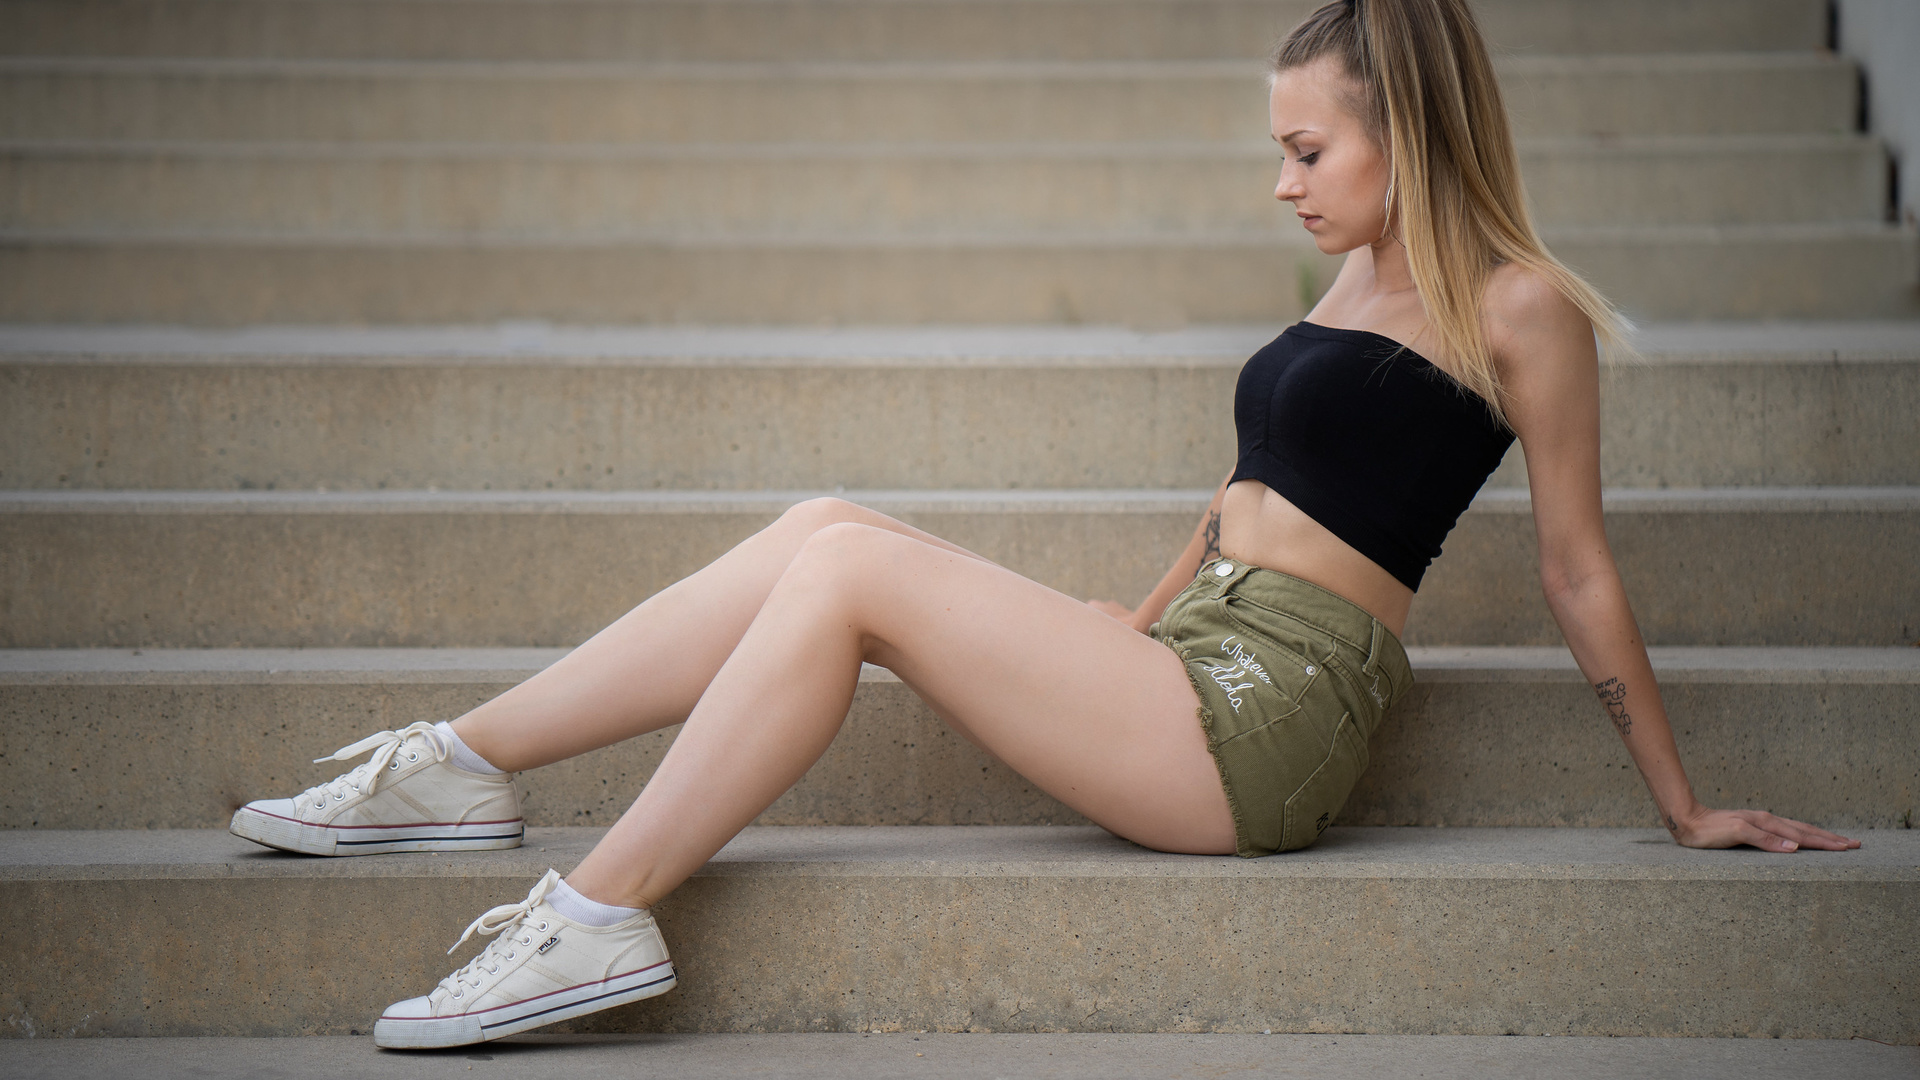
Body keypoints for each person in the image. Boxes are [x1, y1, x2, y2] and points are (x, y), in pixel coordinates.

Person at [227, 0, 1860, 1050]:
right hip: (1195, 660)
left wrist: (1684, 803)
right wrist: (1135, 622)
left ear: (1407, 133)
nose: (1282, 183)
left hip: (1277, 725)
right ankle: (458, 767)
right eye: (1278, 150)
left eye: (1307, 148)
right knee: (827, 519)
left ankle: (594, 920)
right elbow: (1246, 495)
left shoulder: (1520, 309)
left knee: (852, 571)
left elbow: (1576, 564)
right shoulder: (1349, 280)